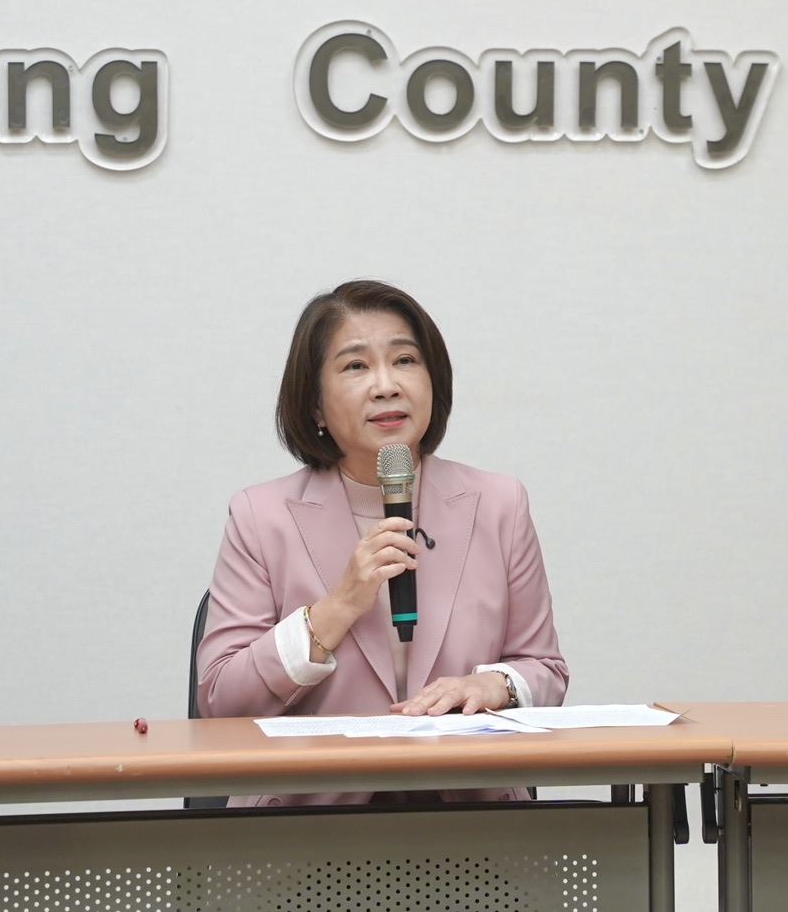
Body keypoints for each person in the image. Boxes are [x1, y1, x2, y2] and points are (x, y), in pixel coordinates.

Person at [195, 279, 569, 803]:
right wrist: (338, 607)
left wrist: (495, 686)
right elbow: (220, 700)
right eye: (356, 366)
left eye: (405, 361)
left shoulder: (499, 504)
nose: (386, 385)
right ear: (315, 406)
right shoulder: (261, 516)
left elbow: (545, 669)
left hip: (472, 819)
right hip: (308, 822)